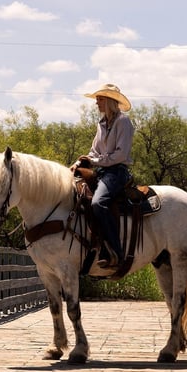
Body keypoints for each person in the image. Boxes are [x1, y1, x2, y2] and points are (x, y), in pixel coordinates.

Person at [74, 83, 134, 269]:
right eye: (97, 99)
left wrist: (96, 161)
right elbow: (93, 151)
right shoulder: (101, 124)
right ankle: (89, 247)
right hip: (102, 171)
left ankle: (116, 252)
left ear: (109, 101)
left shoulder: (123, 122)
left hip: (117, 172)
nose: (96, 103)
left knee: (98, 203)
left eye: (100, 99)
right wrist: (80, 162)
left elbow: (121, 155)